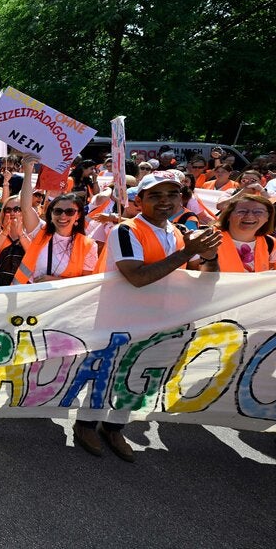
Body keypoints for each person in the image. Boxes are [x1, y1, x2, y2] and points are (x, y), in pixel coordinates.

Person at [78, 171, 222, 462]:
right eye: (155, 195)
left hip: (160, 320)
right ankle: (85, 425)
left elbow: (202, 275)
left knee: (141, 376)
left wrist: (209, 255)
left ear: (182, 199)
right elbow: (136, 277)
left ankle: (114, 426)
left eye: (172, 194)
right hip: (120, 318)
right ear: (139, 200)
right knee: (107, 374)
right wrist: (187, 253)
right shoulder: (126, 231)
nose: (165, 201)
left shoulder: (177, 232)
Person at [14, 155, 98, 284]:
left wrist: (54, 281)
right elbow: (25, 208)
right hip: (28, 297)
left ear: (78, 215)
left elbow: (87, 284)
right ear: (51, 214)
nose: (63, 216)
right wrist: (28, 172)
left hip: (63, 303)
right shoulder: (40, 232)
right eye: (58, 211)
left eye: (69, 211)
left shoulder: (89, 246)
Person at [213, 193, 275, 272]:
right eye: (242, 211)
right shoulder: (205, 239)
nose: (250, 216)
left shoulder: (271, 243)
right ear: (228, 215)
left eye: (258, 212)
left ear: (268, 217)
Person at [0, 195, 30, 286]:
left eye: (17, 209)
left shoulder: (30, 231)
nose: (12, 213)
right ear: (3, 213)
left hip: (20, 289)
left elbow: (33, 257)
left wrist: (21, 234)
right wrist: (4, 233)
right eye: (8, 210)